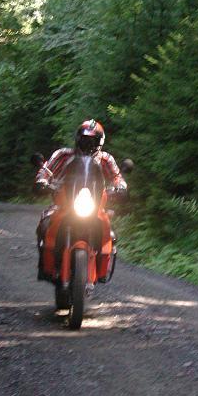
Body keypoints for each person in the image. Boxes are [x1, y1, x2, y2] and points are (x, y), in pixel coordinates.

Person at [34, 119, 127, 278]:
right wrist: (42, 181)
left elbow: (117, 177)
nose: (88, 144)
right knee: (45, 224)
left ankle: (101, 266)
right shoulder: (64, 154)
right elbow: (46, 171)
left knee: (110, 232)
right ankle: (46, 266)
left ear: (100, 142)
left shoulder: (105, 159)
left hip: (94, 204)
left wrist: (121, 187)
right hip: (65, 203)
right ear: (78, 139)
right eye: (85, 139)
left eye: (93, 140)